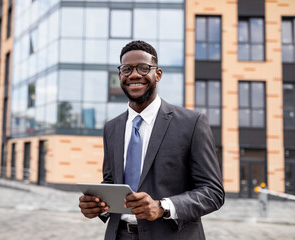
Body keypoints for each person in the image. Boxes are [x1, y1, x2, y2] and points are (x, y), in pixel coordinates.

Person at [79, 40, 224, 240]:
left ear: (158, 74)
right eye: (127, 69)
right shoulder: (111, 128)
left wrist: (162, 207)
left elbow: (212, 192)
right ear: (120, 76)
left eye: (143, 68)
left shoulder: (192, 123)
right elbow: (112, 182)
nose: (135, 74)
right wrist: (98, 206)